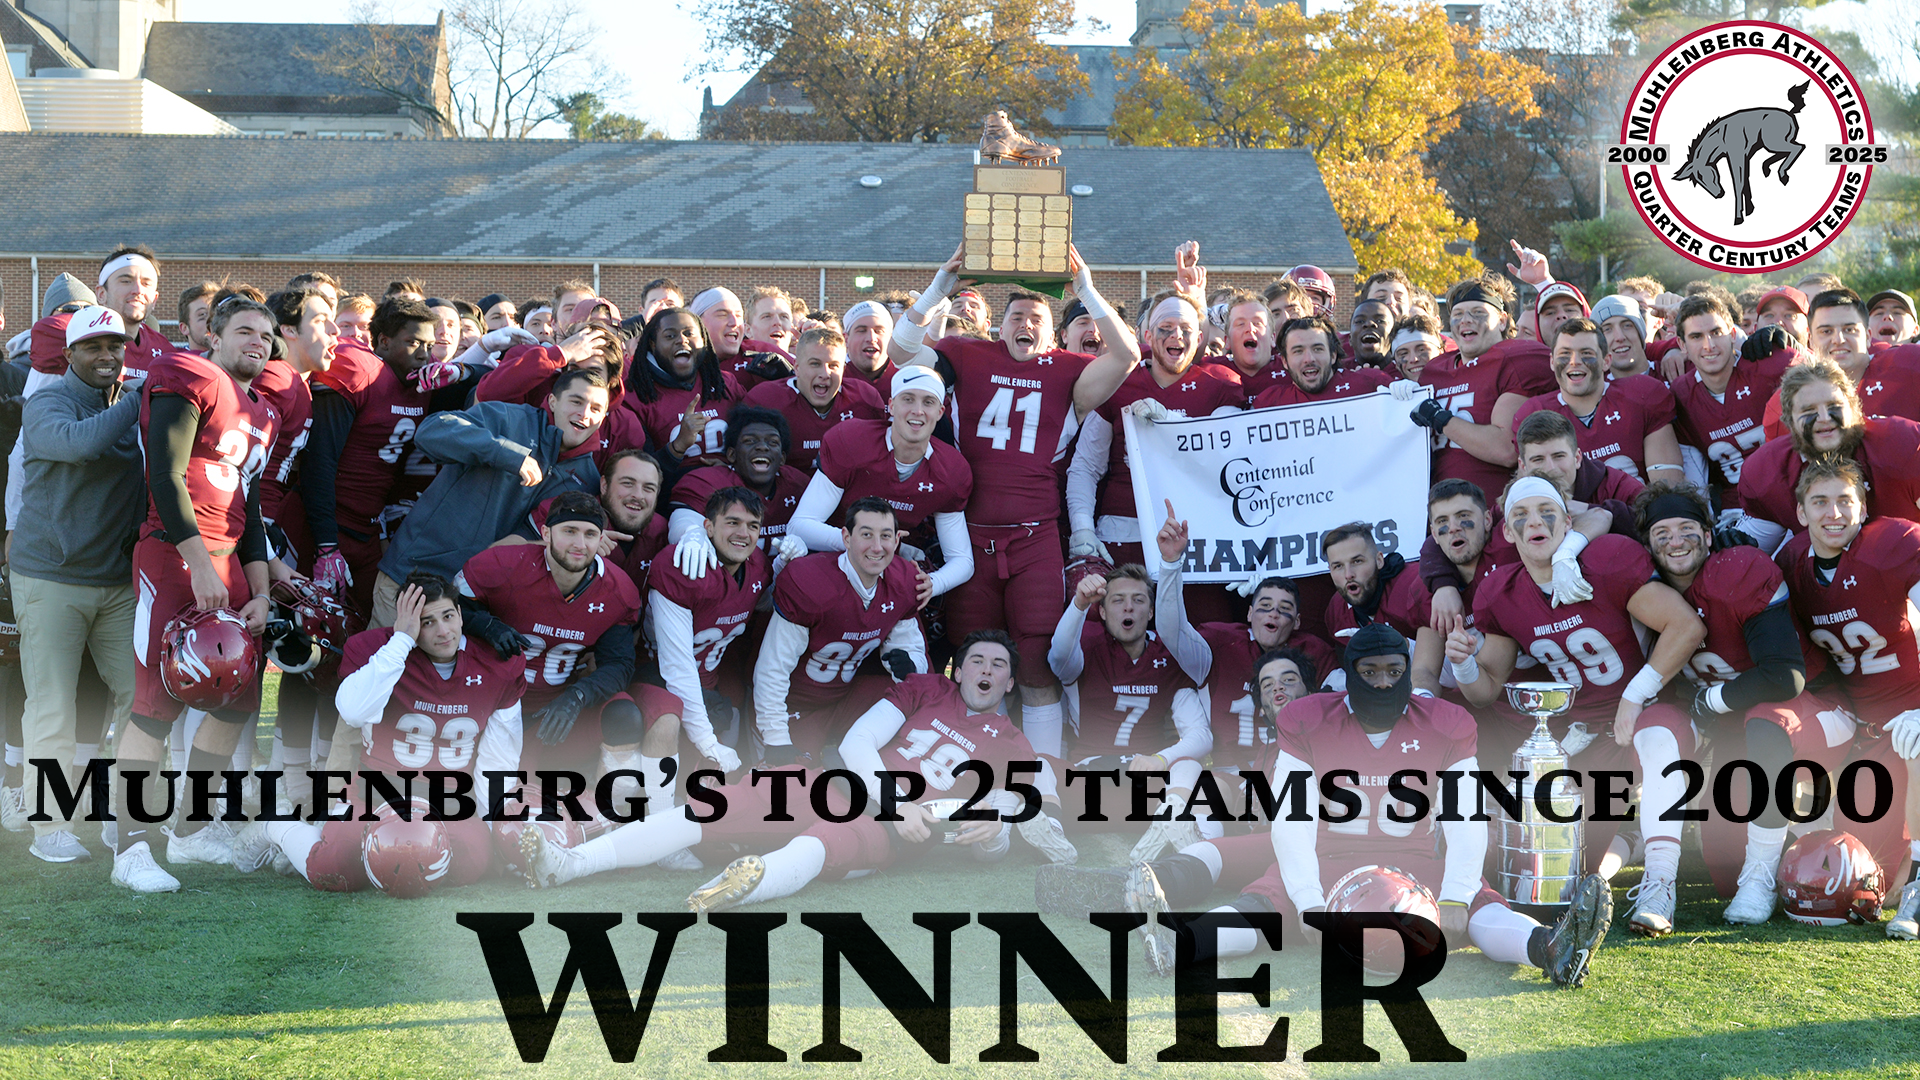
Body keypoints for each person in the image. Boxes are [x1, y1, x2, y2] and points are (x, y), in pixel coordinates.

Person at [1143, 623, 1613, 989]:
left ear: (1408, 671)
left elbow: (1463, 815)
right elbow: (1293, 817)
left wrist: (1454, 891)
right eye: (1369, 674)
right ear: (1349, 676)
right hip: (1327, 861)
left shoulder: (1444, 723)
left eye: (1394, 672)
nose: (1384, 684)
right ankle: (1178, 943)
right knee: (1264, 905)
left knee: (1477, 907)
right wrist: (1308, 899)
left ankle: (1550, 948)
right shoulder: (1309, 720)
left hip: (1413, 865)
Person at [887, 244, 1138, 763]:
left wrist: (1086, 289)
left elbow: (1126, 355)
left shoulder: (1068, 370)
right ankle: (972, 767)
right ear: (999, 327)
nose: (1026, 323)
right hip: (970, 535)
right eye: (1016, 315)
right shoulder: (966, 354)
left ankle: (1041, 785)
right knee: (974, 663)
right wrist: (939, 287)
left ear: (1052, 333)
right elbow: (901, 352)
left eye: (1037, 318)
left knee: (1038, 664)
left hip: (1035, 536)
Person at [1448, 476, 1706, 936]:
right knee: (1567, 873)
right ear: (1506, 533)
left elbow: (1685, 627)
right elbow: (1488, 692)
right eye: (1520, 516)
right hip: (1585, 735)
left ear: (1568, 521)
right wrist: (1465, 664)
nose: (1535, 523)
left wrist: (1634, 694)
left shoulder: (1605, 561)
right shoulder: (1501, 592)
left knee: (1656, 735)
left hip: (1647, 711)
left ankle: (1660, 881)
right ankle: (1631, 839)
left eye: (1546, 512)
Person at [1633, 481, 1856, 925]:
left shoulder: (1737, 570)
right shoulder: (1648, 591)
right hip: (1739, 735)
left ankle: (1761, 876)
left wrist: (1710, 701)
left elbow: (1784, 676)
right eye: (1662, 533)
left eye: (1687, 528)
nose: (1676, 540)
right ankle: (1658, 884)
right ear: (1648, 545)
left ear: (1710, 534)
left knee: (1765, 718)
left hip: (1813, 709)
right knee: (1655, 724)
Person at [117, 296, 282, 888]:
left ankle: (188, 831)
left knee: (236, 699)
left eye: (266, 335)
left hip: (230, 561)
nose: (258, 343)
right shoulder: (189, 374)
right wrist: (199, 566)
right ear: (212, 334)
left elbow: (253, 508)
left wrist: (259, 590)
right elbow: (164, 474)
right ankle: (130, 850)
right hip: (172, 553)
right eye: (244, 331)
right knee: (155, 704)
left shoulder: (264, 410)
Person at [229, 575, 525, 893]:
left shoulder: (495, 665)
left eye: (448, 616)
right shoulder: (377, 649)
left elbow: (499, 756)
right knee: (335, 869)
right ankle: (278, 827)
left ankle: (312, 841)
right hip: (377, 790)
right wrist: (401, 641)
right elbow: (353, 711)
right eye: (426, 622)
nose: (443, 631)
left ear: (460, 615)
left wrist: (491, 823)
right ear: (406, 623)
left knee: (472, 862)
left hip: (448, 798)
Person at [12, 306, 144, 863]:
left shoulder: (128, 402)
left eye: (116, 346)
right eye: (94, 347)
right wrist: (141, 400)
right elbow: (77, 445)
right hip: (51, 576)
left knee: (143, 700)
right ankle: (51, 829)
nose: (107, 356)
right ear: (69, 354)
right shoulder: (46, 402)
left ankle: (128, 819)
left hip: (115, 581)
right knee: (53, 706)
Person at [1777, 458, 1920, 926]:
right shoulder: (1793, 563)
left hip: (1910, 710)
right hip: (1866, 725)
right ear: (1801, 511)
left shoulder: (1892, 545)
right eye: (1820, 501)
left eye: (1845, 501)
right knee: (1859, 864)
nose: (1832, 513)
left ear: (1863, 509)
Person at [374, 366, 611, 626]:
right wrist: (507, 453)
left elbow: (538, 537)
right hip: (414, 576)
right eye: (576, 401)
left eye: (596, 409)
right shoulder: (508, 417)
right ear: (553, 401)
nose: (584, 414)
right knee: (382, 664)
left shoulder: (586, 478)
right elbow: (431, 431)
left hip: (476, 601)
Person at [454, 491, 646, 783]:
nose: (580, 544)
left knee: (623, 714)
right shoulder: (502, 565)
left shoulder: (617, 591)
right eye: (569, 531)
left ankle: (612, 811)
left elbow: (618, 665)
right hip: (486, 705)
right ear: (546, 533)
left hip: (552, 714)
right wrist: (486, 625)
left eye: (590, 534)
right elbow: (446, 612)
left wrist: (577, 695)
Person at [1068, 292, 1243, 573]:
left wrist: (1171, 424)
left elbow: (1227, 463)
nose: (1176, 336)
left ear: (1199, 339)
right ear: (1148, 336)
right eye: (1165, 328)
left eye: (1186, 329)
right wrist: (1082, 528)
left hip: (1195, 536)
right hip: (1123, 529)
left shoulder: (1218, 387)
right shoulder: (1120, 383)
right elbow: (1086, 467)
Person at [752, 498, 926, 763]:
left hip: (845, 698)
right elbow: (772, 668)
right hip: (796, 706)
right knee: (791, 779)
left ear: (896, 540)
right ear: (846, 538)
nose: (877, 547)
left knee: (915, 699)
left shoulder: (902, 581)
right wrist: (776, 738)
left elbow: (913, 658)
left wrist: (910, 665)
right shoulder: (812, 582)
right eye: (866, 535)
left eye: (886, 536)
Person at [1048, 563, 1209, 848]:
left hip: (1144, 787)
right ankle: (1049, 828)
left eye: (1138, 600)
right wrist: (1079, 604)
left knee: (1188, 764)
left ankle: (1172, 824)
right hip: (1090, 784)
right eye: (1117, 600)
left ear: (1150, 612)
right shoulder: (1086, 647)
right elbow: (1058, 656)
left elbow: (1201, 735)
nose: (1128, 608)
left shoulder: (1168, 658)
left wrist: (1160, 759)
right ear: (1103, 611)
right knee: (1037, 765)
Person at [789, 366, 974, 605]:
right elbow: (800, 525)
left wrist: (933, 584)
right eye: (908, 399)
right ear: (891, 405)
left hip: (890, 580)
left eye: (928, 402)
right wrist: (866, 543)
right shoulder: (853, 442)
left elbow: (962, 560)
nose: (917, 411)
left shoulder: (951, 470)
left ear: (940, 412)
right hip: (830, 564)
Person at [302, 297, 436, 615]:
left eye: (429, 344)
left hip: (370, 530)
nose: (423, 354)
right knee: (314, 631)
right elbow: (319, 460)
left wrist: (463, 371)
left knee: (368, 628)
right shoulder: (360, 371)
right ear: (384, 341)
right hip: (326, 524)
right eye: (413, 342)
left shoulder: (425, 384)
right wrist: (325, 544)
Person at [647, 487, 776, 777]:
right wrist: (706, 739)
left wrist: (783, 566)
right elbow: (677, 668)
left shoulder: (757, 568)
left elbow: (766, 602)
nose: (743, 533)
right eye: (732, 522)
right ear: (708, 526)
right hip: (655, 677)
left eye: (752, 526)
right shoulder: (683, 566)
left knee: (732, 714)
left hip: (709, 680)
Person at [1736, 359, 1920, 550]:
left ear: (1853, 408)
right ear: (1789, 421)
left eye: (1834, 406)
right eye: (1809, 410)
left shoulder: (1901, 444)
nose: (1824, 418)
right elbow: (1753, 554)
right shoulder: (1769, 470)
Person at [1413, 274, 1557, 500]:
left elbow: (1506, 449)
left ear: (1502, 320)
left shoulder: (1515, 358)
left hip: (1494, 507)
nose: (1465, 320)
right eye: (1457, 314)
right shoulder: (1434, 369)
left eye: (1478, 312)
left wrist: (1442, 419)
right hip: (1439, 508)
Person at [1514, 317, 1684, 484]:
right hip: (1571, 512)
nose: (1574, 362)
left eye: (1586, 353)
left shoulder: (1641, 395)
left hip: (1639, 508)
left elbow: (1668, 487)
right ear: (1552, 361)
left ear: (1606, 361)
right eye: (1565, 354)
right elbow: (1535, 494)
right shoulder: (1534, 413)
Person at [1667, 293, 1790, 509]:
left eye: (1716, 333)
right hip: (1737, 507)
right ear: (1682, 344)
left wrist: (1794, 345)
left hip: (1791, 493)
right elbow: (1695, 475)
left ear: (1733, 334)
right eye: (1696, 336)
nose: (1709, 345)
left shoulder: (1770, 365)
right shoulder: (1682, 394)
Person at [740, 327, 886, 473]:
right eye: (815, 364)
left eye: (833, 365)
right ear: (796, 367)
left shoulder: (865, 398)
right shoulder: (765, 399)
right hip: (787, 490)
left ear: (844, 368)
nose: (825, 373)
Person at [627, 306, 739, 471]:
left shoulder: (725, 383)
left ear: (703, 339)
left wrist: (732, 468)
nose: (681, 340)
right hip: (672, 491)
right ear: (653, 344)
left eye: (689, 333)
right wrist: (678, 446)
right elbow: (636, 473)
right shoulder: (636, 395)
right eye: (670, 335)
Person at [97, 246, 177, 381]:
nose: (138, 290)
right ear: (101, 294)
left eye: (146, 283)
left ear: (155, 299)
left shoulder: (165, 351)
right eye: (126, 281)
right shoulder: (84, 343)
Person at [1592, 295, 1654, 378]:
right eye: (1607, 329)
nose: (1619, 337)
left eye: (1627, 326)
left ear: (1641, 332)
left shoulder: (1671, 374)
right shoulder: (1595, 389)